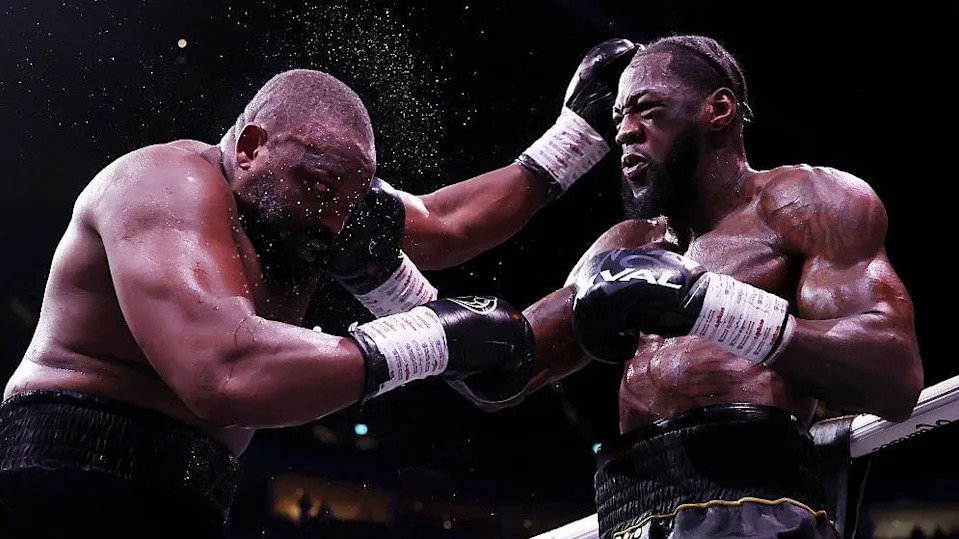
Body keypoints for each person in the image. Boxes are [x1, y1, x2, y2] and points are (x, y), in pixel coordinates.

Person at [0, 40, 638, 538]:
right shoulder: (166, 184)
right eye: (320, 187)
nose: (337, 219)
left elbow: (447, 227)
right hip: (70, 470)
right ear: (251, 147)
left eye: (351, 198)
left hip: (189, 489)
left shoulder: (321, 200)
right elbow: (223, 372)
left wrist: (574, 140)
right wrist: (427, 339)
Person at [450, 35, 923, 539]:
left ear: (718, 110)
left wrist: (711, 306)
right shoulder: (625, 244)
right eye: (617, 119)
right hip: (630, 508)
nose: (626, 133)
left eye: (648, 110)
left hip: (754, 503)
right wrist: (391, 293)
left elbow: (894, 376)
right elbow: (504, 373)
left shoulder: (806, 202)